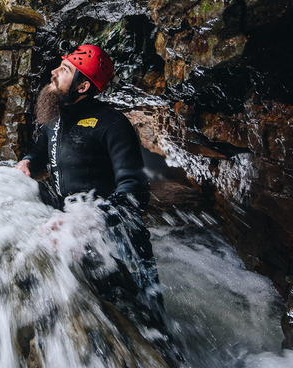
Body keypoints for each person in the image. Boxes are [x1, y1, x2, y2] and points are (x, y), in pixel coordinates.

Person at [15, 44, 183, 366]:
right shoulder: (53, 119)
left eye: (64, 69)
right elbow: (40, 150)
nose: (54, 71)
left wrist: (90, 218)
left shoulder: (111, 124)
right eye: (60, 65)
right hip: (71, 237)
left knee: (152, 338)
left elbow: (134, 192)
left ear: (82, 86)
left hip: (120, 247)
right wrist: (26, 162)